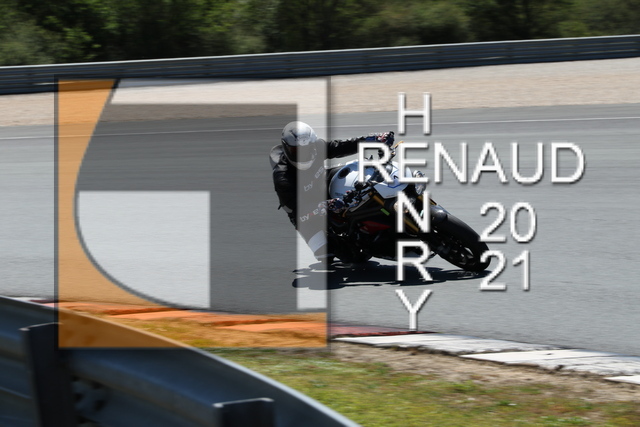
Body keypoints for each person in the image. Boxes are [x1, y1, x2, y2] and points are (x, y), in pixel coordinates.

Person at [270, 121, 393, 261]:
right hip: (306, 212)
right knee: (333, 254)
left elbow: (342, 146)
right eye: (296, 151)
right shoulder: (283, 177)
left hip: (323, 182)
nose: (303, 155)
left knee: (361, 176)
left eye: (307, 149)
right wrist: (324, 205)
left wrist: (374, 139)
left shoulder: (317, 147)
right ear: (286, 149)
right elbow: (295, 210)